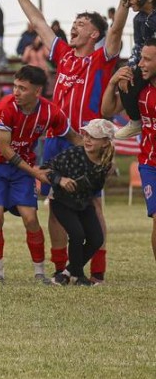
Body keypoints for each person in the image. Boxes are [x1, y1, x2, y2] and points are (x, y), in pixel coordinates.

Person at [11, 0, 125, 282]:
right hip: (58, 140)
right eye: (75, 21)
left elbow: (116, 30)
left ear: (94, 34)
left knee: (92, 204)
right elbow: (37, 21)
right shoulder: (62, 53)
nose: (74, 25)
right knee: (55, 204)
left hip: (87, 142)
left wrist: (124, 1)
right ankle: (61, 270)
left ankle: (97, 272)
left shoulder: (103, 59)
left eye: (82, 23)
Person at [0, 66, 75, 285]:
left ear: (37, 92)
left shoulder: (50, 112)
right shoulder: (5, 107)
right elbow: (6, 150)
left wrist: (98, 151)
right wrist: (36, 172)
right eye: (15, 86)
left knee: (30, 218)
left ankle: (40, 273)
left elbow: (72, 136)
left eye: (22, 88)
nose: (15, 92)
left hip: (21, 170)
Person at [43, 119, 115, 285]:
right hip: (61, 202)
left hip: (83, 204)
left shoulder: (104, 165)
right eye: (86, 135)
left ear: (105, 143)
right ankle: (78, 276)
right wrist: (60, 179)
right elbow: (46, 168)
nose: (88, 139)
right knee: (77, 234)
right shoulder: (73, 153)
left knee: (96, 238)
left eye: (94, 137)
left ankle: (67, 273)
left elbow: (95, 187)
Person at [102, 44, 156, 266]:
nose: (140, 64)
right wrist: (114, 81)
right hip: (150, 163)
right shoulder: (138, 90)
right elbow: (107, 111)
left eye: (147, 60)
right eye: (140, 58)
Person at [112, 0, 156, 140]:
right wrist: (130, 68)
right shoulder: (139, 20)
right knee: (125, 80)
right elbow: (138, 46)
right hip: (146, 64)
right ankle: (136, 122)